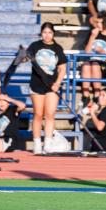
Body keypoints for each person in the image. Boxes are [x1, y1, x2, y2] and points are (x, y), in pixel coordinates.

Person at [27, 22, 67, 154]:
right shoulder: (35, 46)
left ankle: (48, 143)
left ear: (53, 34)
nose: (47, 35)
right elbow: (25, 58)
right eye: (44, 32)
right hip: (37, 84)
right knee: (38, 114)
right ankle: (37, 143)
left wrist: (57, 83)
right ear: (41, 33)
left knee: (50, 115)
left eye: (49, 32)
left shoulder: (57, 48)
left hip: (52, 86)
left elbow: (62, 68)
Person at [81, 12, 106, 108]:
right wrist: (92, 37)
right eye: (97, 22)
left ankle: (96, 95)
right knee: (86, 65)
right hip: (91, 62)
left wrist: (104, 53)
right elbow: (87, 53)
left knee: (95, 65)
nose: (97, 25)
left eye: (100, 22)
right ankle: (85, 96)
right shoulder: (93, 33)